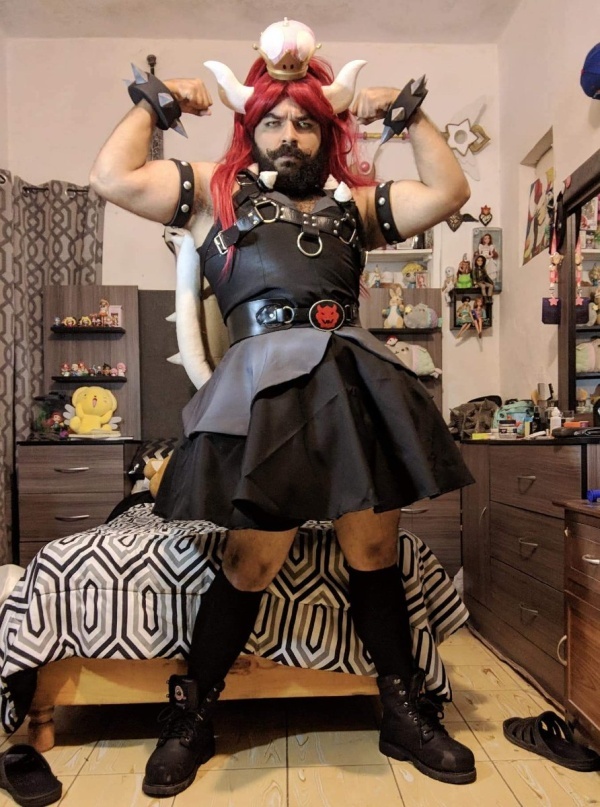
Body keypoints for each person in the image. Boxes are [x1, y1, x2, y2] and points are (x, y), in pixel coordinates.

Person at [90, 19, 475, 795]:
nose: (289, 135)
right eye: (273, 121)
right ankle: (192, 716)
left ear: (326, 131)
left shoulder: (352, 205)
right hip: (263, 389)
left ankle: (402, 712)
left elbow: (449, 192)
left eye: (306, 121)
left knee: (374, 550)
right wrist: (160, 102)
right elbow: (113, 177)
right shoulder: (216, 191)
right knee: (251, 561)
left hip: (350, 380)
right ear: (251, 127)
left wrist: (404, 113)